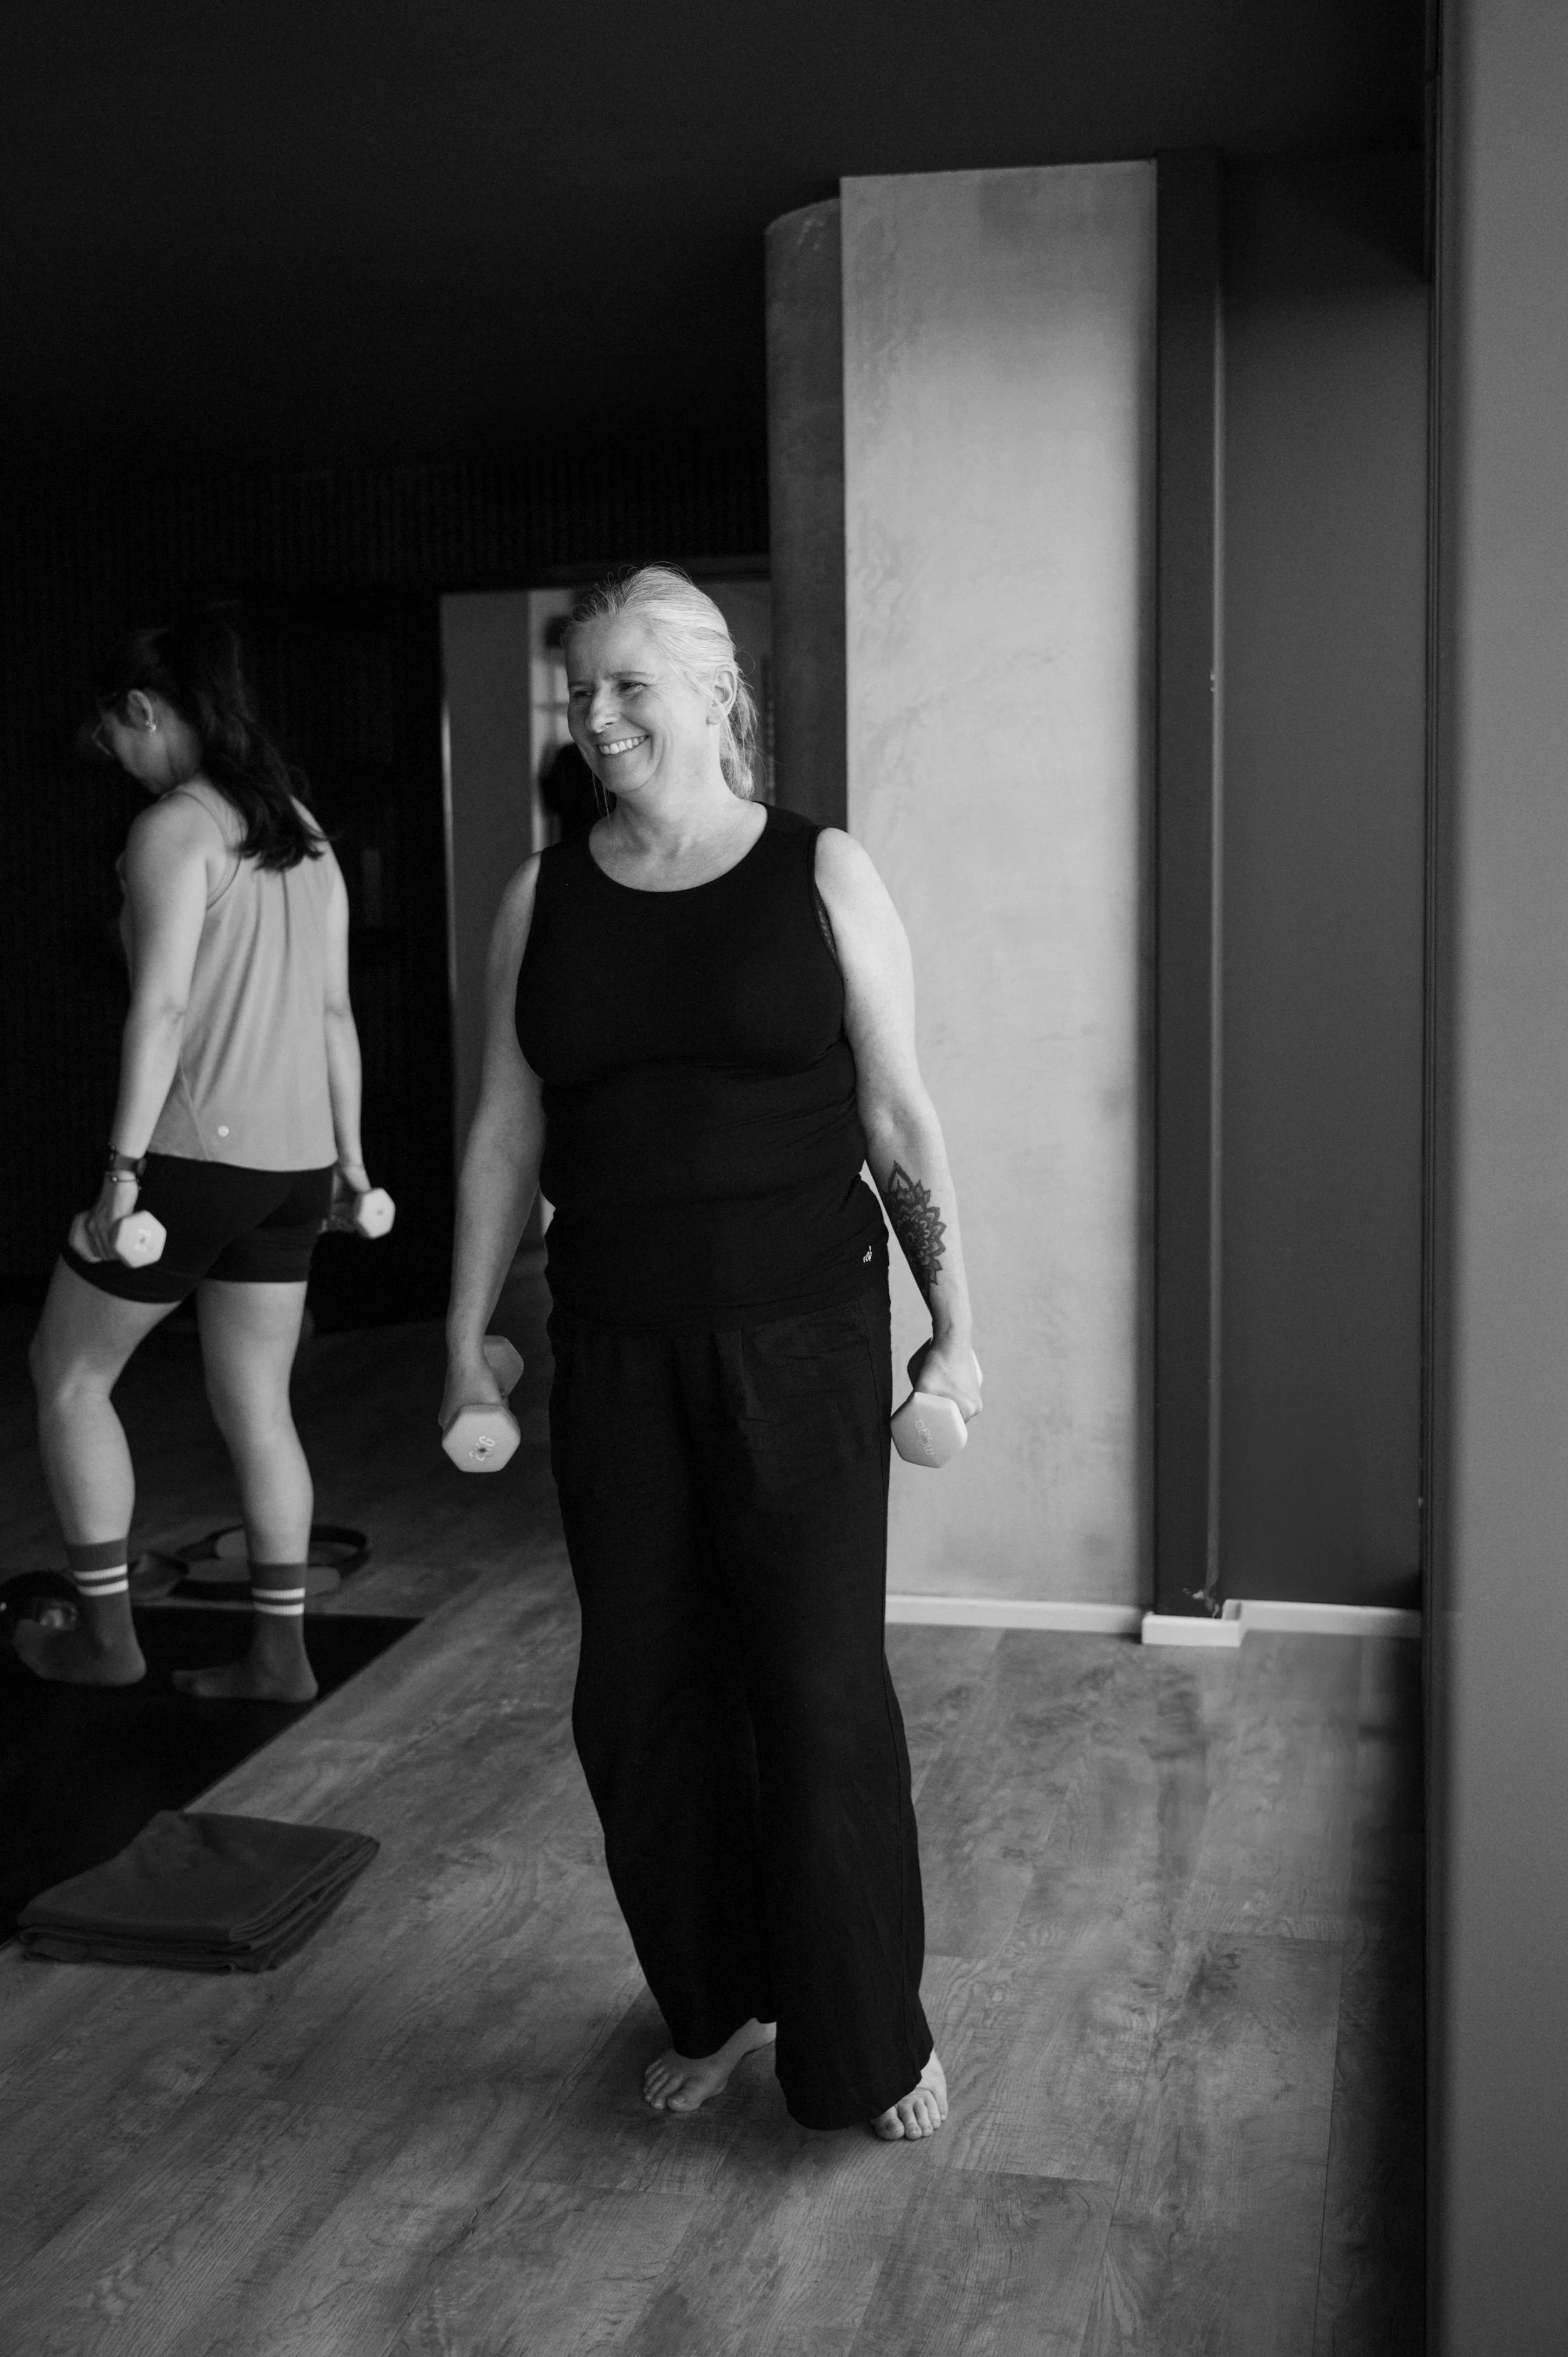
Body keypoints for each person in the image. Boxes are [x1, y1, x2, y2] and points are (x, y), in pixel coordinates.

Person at [443, 564, 980, 2142]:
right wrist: (464, 1339)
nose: (596, 717)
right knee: (643, 1703)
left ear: (712, 692)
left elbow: (893, 1113)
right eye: (578, 691)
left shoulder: (819, 872)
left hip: (805, 1340)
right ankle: (715, 1999)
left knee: (815, 1698)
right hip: (613, 1348)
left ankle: (866, 2036)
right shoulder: (543, 898)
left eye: (626, 686)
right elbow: (501, 1134)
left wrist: (958, 1326)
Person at [18, 612, 378, 1705]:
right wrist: (353, 1170)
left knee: (68, 1375)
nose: (118, 765)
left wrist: (120, 1171)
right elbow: (333, 1015)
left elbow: (163, 1005)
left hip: (189, 1158)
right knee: (259, 1404)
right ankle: (279, 1658)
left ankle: (108, 1640)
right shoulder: (302, 830)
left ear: (143, 710)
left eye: (115, 739)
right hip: (296, 1167)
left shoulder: (175, 828)